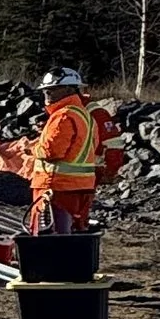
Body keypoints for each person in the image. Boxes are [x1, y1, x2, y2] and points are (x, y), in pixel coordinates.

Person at [27, 66, 122, 233]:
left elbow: (51, 151)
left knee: (49, 236)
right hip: (80, 186)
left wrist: (33, 149)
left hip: (56, 186)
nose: (47, 95)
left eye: (52, 90)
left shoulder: (64, 115)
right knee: (72, 232)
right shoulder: (84, 114)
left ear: (70, 90)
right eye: (46, 91)